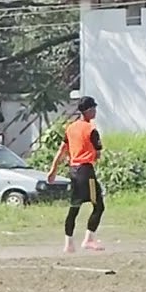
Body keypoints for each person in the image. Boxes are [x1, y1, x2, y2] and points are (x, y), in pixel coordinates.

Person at [47, 96, 106, 253]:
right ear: (88, 111)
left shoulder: (70, 128)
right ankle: (89, 239)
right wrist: (93, 154)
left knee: (74, 206)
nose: (95, 112)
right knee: (98, 205)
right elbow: (98, 153)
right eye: (93, 109)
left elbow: (62, 150)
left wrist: (53, 169)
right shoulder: (91, 129)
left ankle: (69, 244)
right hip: (86, 170)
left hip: (73, 170)